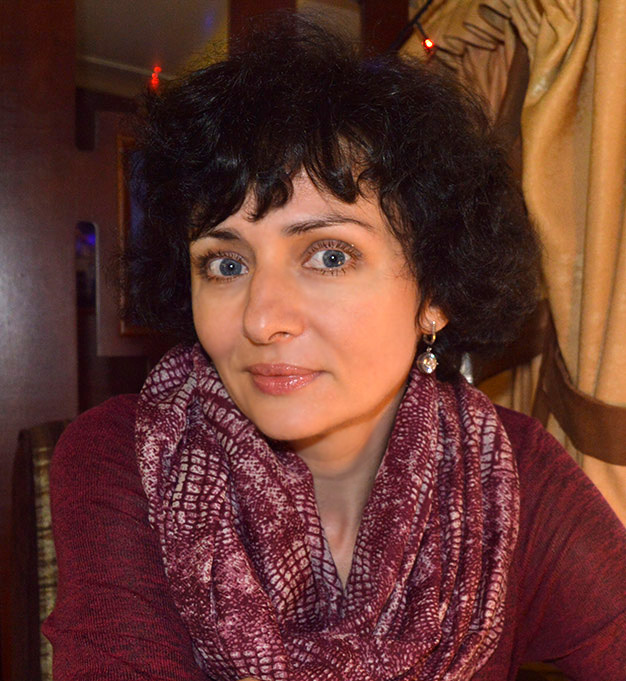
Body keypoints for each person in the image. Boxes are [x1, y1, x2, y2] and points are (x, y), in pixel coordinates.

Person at [44, 13, 626, 681]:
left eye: (329, 255)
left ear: (435, 292)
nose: (262, 319)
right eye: (226, 264)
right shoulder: (130, 458)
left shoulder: (510, 479)